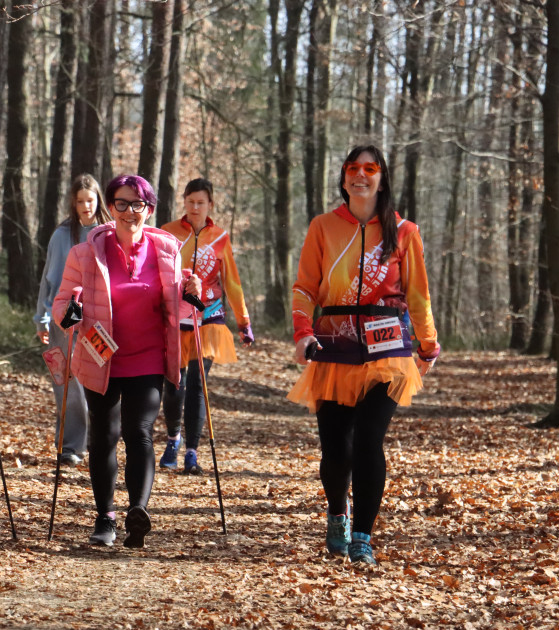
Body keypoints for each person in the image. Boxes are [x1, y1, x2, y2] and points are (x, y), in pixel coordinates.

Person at [288, 144, 439, 566]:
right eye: (353, 168)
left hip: (387, 348)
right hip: (334, 344)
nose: (360, 175)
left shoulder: (403, 231)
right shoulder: (322, 226)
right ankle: (338, 514)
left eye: (370, 168)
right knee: (336, 448)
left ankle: (362, 538)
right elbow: (304, 288)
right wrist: (302, 333)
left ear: (382, 178)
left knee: (370, 440)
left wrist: (428, 344)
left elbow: (418, 295)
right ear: (343, 177)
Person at [53, 175, 201, 549]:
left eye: (138, 204)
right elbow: (62, 311)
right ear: (110, 207)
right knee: (103, 435)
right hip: (99, 357)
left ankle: (137, 513)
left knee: (139, 432)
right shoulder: (85, 253)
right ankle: (105, 517)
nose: (129, 212)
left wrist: (191, 294)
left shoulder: (166, 251)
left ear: (149, 209)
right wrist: (73, 309)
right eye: (121, 203)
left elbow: (180, 311)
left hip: (148, 358)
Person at [158, 178, 254, 475]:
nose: (195, 207)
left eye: (201, 202)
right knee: (175, 383)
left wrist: (244, 321)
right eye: (190, 202)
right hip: (176, 318)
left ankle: (192, 451)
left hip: (209, 318)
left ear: (210, 204)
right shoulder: (167, 233)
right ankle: (173, 438)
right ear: (184, 203)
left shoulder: (220, 237)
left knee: (198, 384)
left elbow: (232, 282)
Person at [34, 174, 111, 467]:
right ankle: (69, 445)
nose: (85, 206)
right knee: (65, 382)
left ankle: (100, 441)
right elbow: (49, 279)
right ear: (73, 203)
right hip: (62, 320)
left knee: (99, 383)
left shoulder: (108, 233)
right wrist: (41, 318)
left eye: (90, 200)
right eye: (80, 201)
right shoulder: (62, 234)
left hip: (99, 322)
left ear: (98, 201)